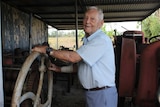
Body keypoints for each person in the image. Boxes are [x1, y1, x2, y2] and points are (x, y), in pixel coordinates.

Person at [32, 6, 118, 107]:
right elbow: (79, 66)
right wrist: (59, 69)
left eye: (92, 19)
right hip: (93, 94)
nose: (87, 22)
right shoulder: (88, 41)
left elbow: (72, 57)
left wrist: (47, 50)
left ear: (101, 23)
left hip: (102, 95)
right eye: (85, 18)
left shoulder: (100, 40)